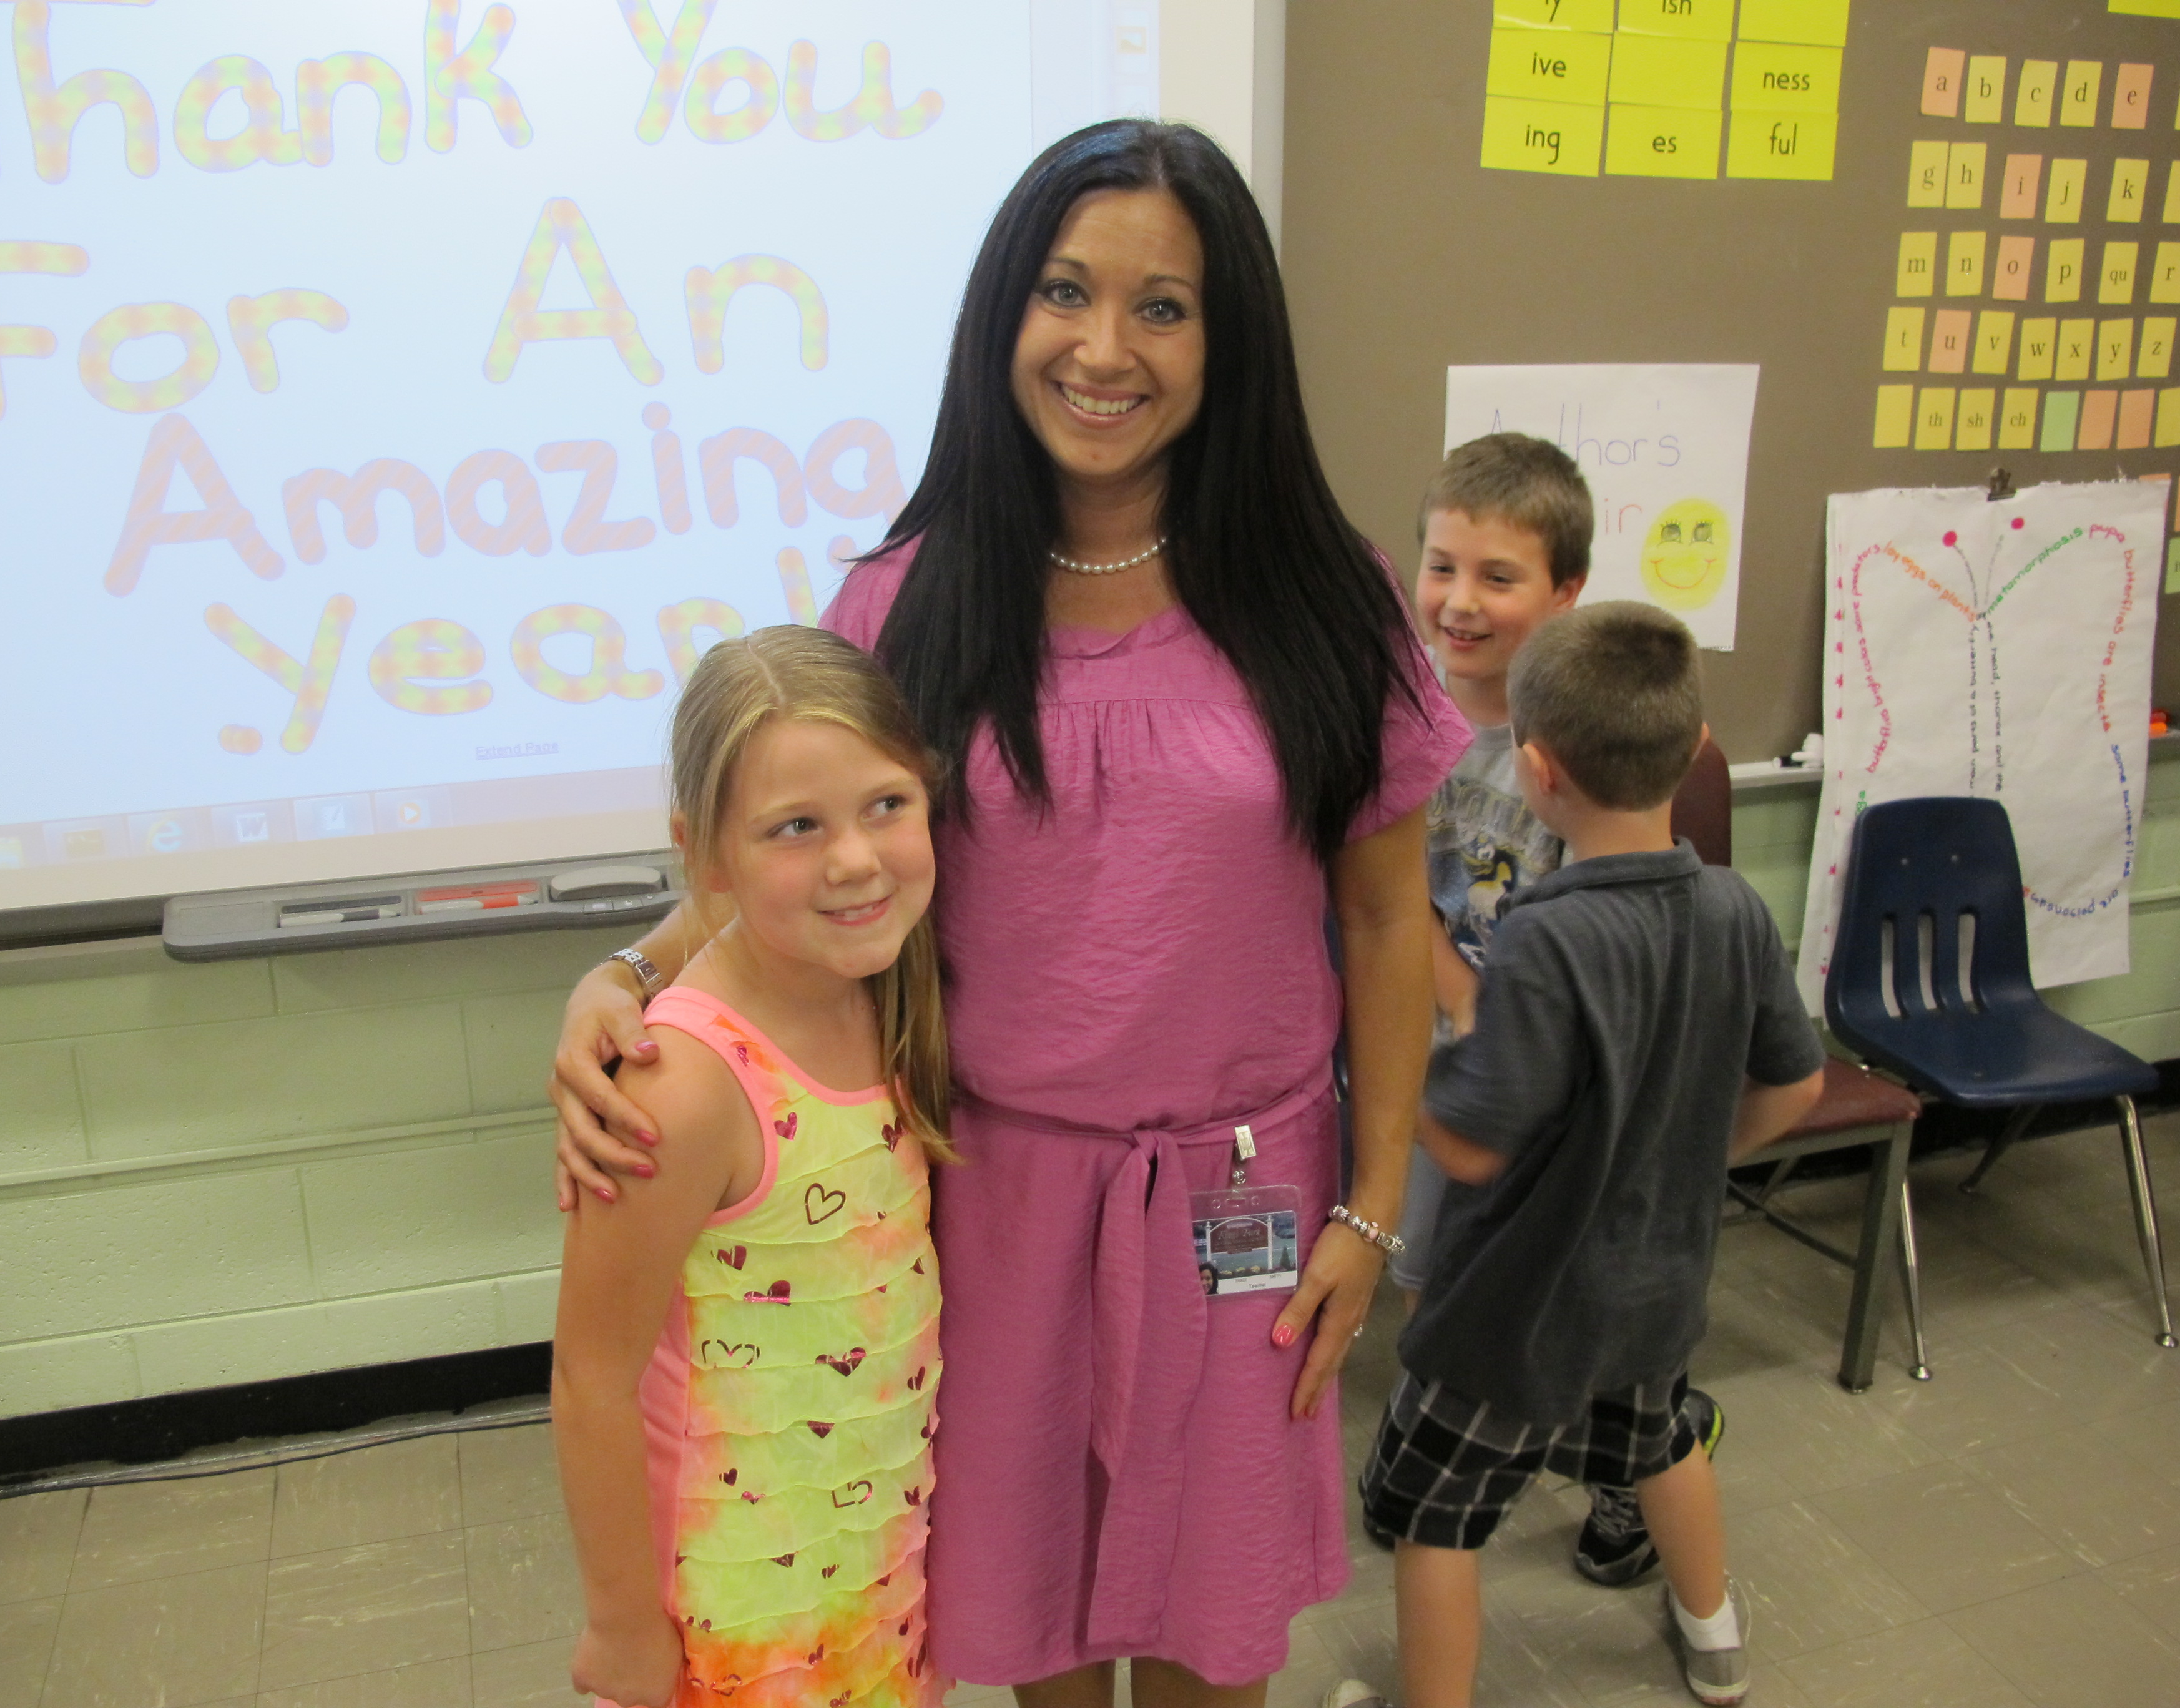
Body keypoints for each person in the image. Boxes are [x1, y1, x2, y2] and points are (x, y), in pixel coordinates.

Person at [550, 120, 1469, 1707]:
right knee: (1032, 1638)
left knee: (1212, 1640)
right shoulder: (908, 599)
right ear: (1004, 313)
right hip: (990, 1205)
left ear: (1228, 340)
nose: (1105, 349)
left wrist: (1374, 1210)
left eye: (1163, 307)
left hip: (1245, 1206)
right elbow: (803, 858)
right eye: (1065, 291)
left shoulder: (1329, 593)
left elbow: (1391, 926)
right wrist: (627, 973)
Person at [1334, 602, 1825, 1708]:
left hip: (1516, 1310)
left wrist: (1390, 1082)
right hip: (1657, 1290)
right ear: (1697, 747)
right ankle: (1717, 1647)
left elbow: (1469, 1147)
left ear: (1538, 769)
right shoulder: (1735, 908)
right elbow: (1795, 1087)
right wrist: (1689, 1164)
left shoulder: (1546, 934)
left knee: (1434, 1517)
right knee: (1661, 1443)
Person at [550, 627, 955, 1708]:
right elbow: (591, 1380)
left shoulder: (885, 992)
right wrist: (621, 1625)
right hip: (729, 1615)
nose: (854, 859)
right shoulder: (680, 1087)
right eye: (795, 827)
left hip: (869, 1566)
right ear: (707, 854)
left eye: (886, 805)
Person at [1395, 433, 1726, 1589]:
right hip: (1448, 1061)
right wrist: (1447, 1005)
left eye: (1498, 577)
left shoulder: (1588, 736)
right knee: (1441, 1273)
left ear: (1565, 591)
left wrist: (1470, 999)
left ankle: (1629, 1466)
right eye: (1442, 566)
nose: (1460, 602)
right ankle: (1448, 1471)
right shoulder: (1403, 717)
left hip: (1557, 1077)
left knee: (1578, 1296)